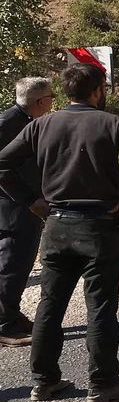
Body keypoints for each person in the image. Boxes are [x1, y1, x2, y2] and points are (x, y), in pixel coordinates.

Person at [0, 64, 119, 402]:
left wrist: (32, 201)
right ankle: (103, 383)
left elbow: (3, 164)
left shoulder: (41, 125)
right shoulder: (113, 123)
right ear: (98, 90)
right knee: (100, 305)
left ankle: (44, 381)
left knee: (50, 304)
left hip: (56, 227)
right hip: (99, 228)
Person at [0, 77, 53, 347]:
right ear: (40, 102)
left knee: (21, 264)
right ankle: (4, 325)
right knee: (11, 265)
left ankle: (11, 313)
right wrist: (30, 198)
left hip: (25, 205)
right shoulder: (8, 123)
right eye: (51, 97)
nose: (53, 102)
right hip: (13, 208)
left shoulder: (24, 121)